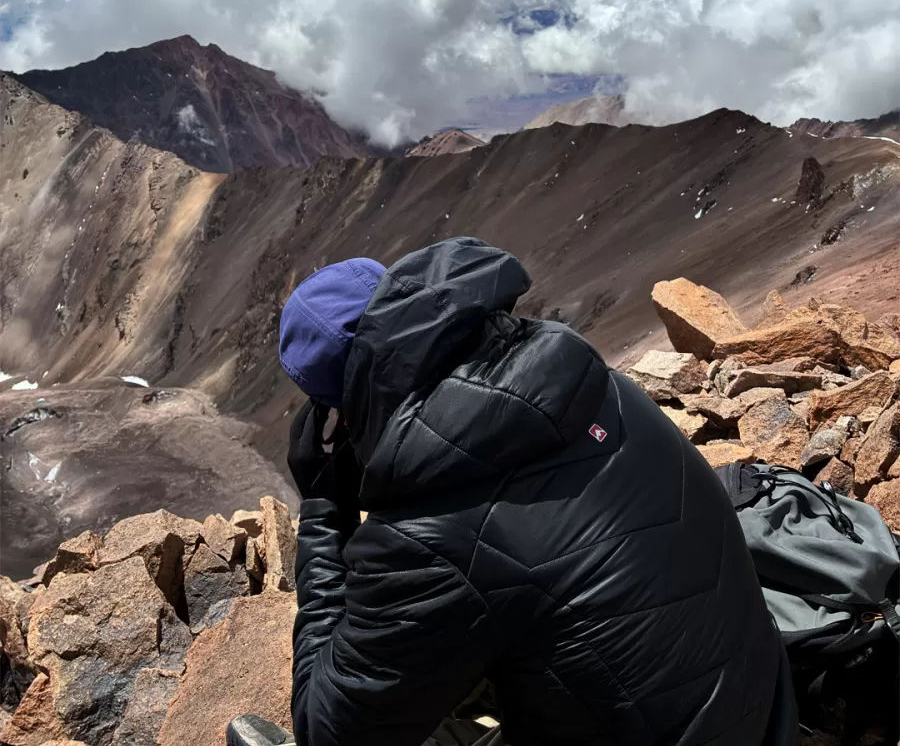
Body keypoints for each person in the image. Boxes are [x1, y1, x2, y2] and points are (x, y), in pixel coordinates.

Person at [227, 237, 797, 746]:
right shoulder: (594, 384)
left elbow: (329, 730)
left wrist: (327, 508)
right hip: (765, 712)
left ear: (347, 408)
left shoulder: (429, 538)